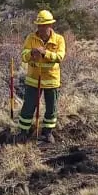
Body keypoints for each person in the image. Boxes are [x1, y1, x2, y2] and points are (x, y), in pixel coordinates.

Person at [17, 9, 66, 144]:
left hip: (52, 80)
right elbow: (23, 56)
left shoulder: (59, 39)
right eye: (40, 25)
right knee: (28, 106)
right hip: (33, 80)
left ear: (51, 25)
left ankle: (48, 132)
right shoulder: (30, 38)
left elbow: (60, 57)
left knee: (51, 108)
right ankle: (23, 131)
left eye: (45, 25)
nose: (42, 28)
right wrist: (32, 53)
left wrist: (45, 53)